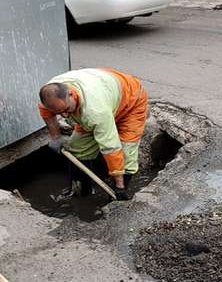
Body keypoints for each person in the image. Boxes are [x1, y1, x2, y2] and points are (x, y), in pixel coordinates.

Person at [38, 68, 148, 200]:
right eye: (59, 112)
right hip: (103, 90)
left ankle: (117, 194)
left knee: (126, 152)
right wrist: (56, 137)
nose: (65, 116)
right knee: (77, 148)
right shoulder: (49, 99)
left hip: (131, 99)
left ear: (71, 94)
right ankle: (82, 190)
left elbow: (110, 147)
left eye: (67, 110)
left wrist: (119, 186)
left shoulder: (95, 110)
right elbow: (47, 114)